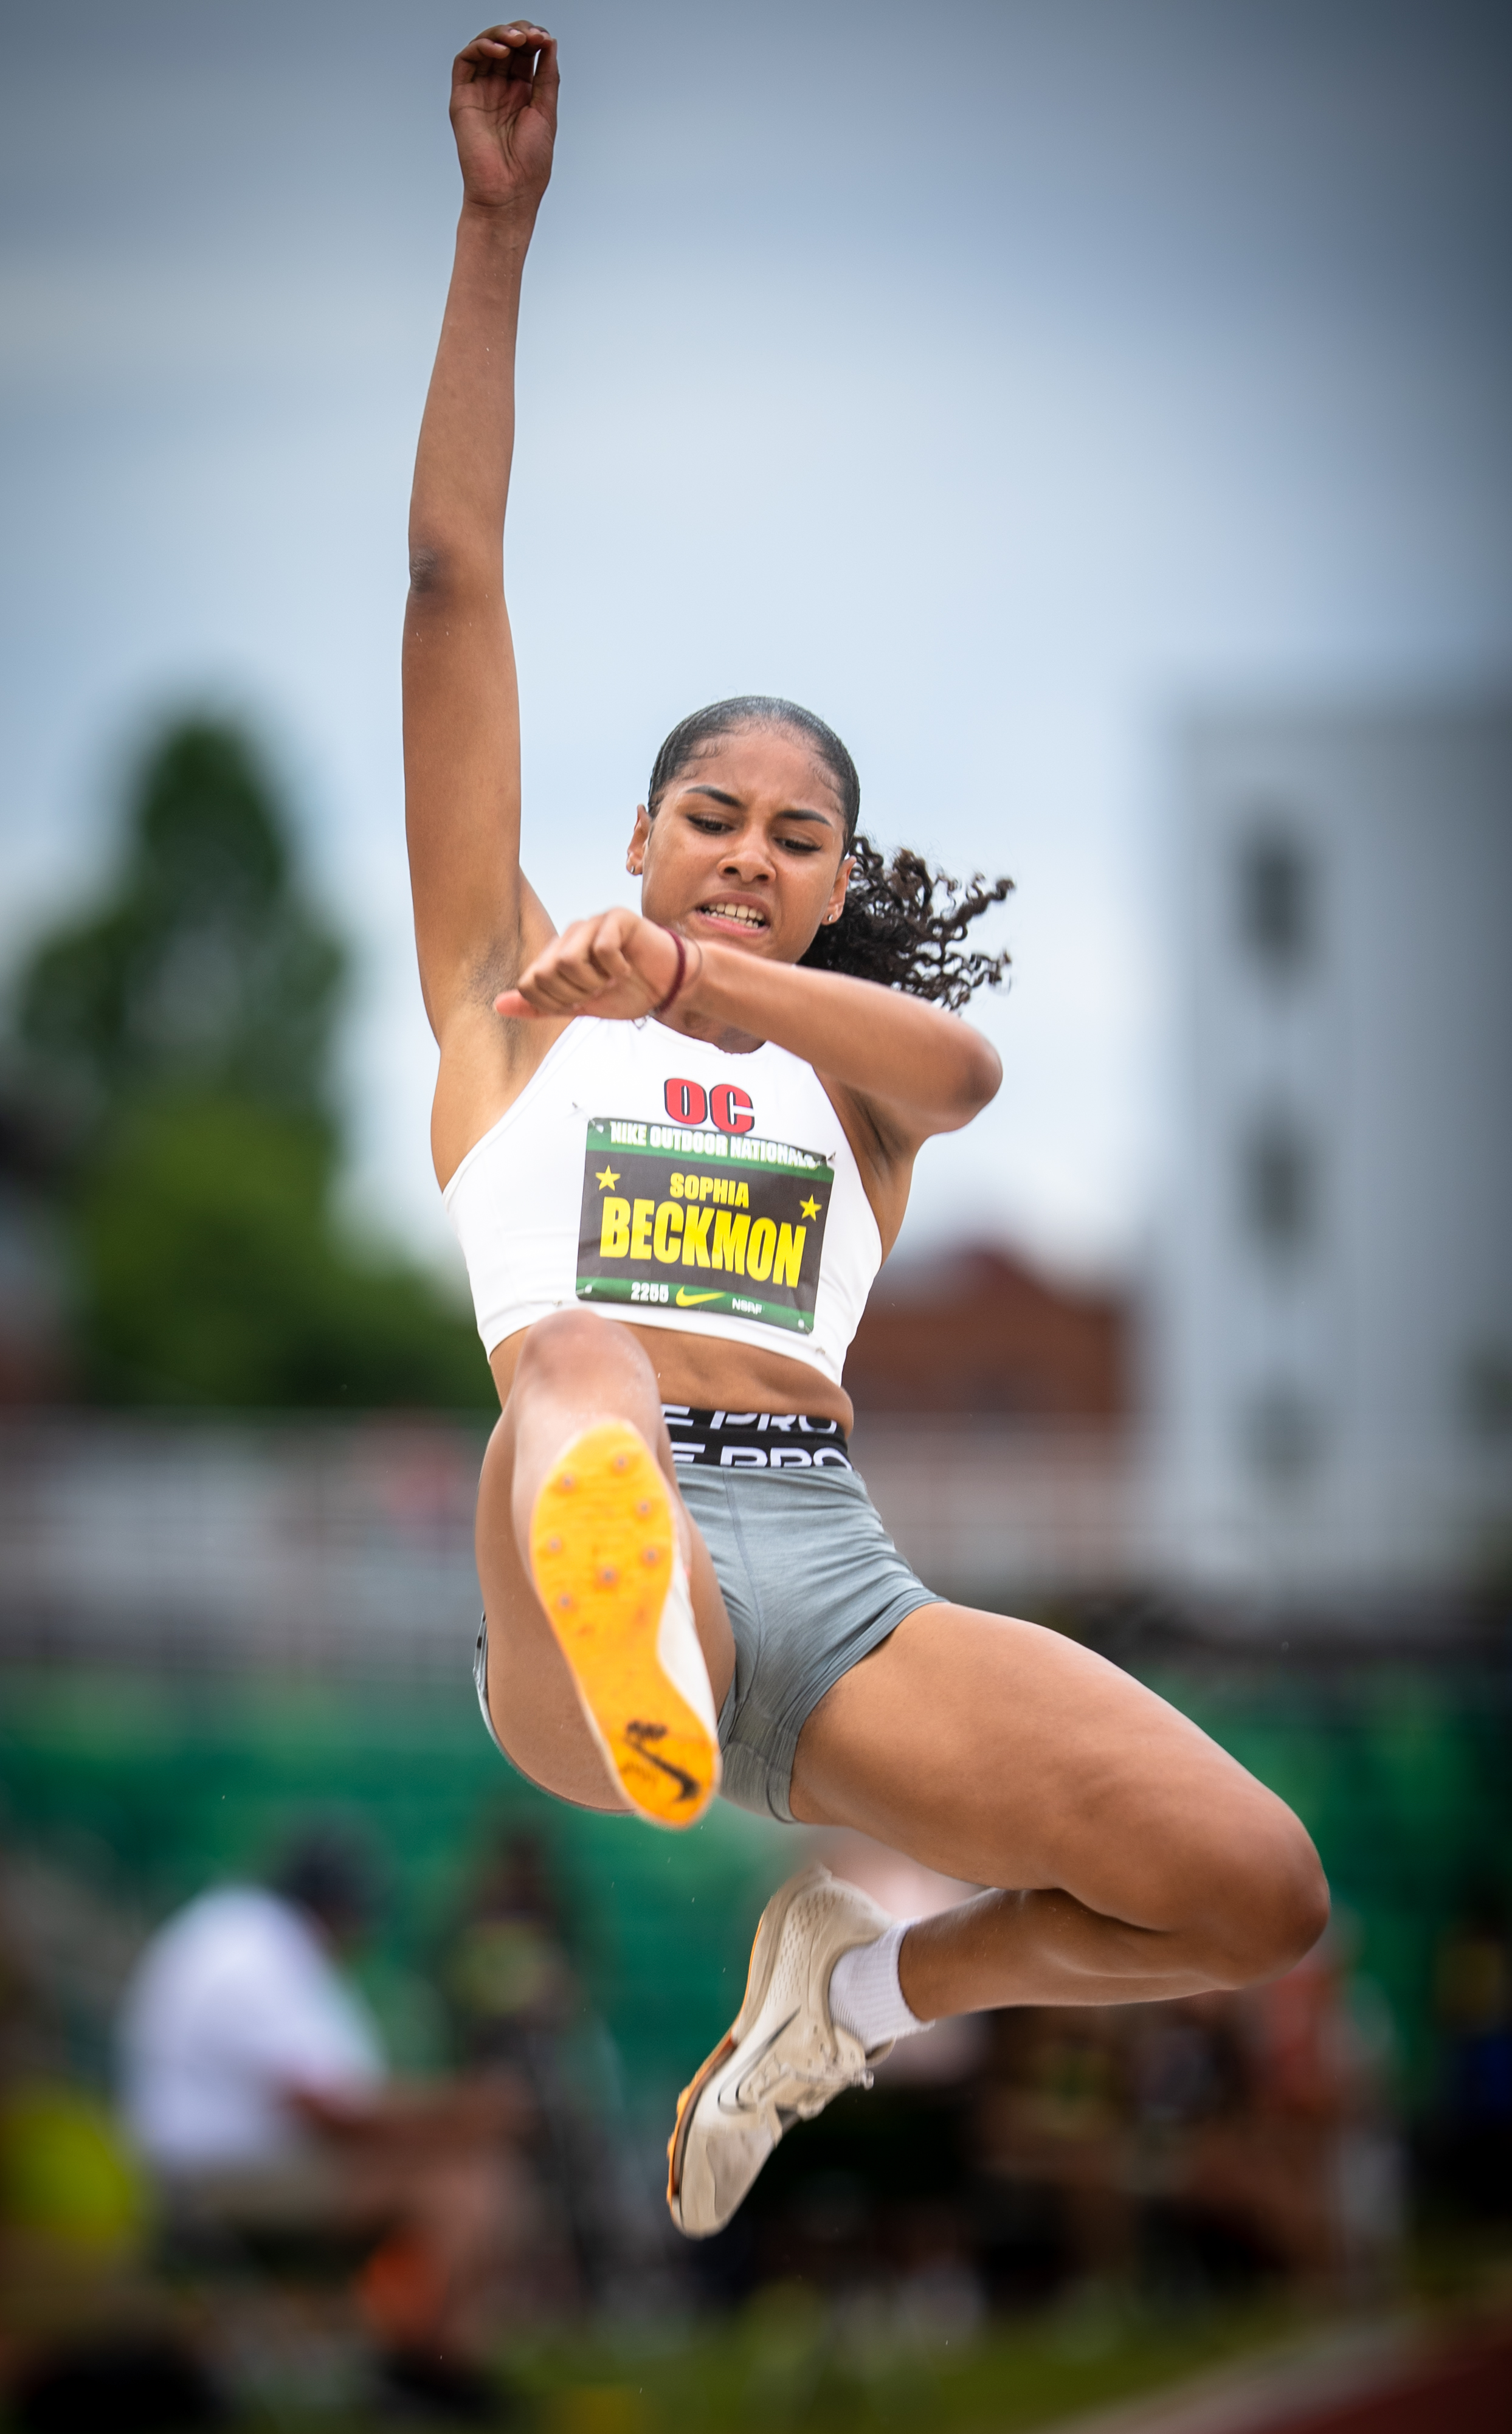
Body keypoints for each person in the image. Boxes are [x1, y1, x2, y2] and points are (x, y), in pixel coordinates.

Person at [405, 25, 1330, 2242]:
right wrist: (498, 228)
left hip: (830, 1574)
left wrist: (695, 980)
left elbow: (972, 1074)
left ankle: (859, 1981)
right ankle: (642, 1638)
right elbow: (451, 578)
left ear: (839, 881)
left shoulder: (864, 1083)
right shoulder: (501, 988)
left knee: (1254, 1885)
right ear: (632, 826)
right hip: (571, 1560)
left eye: (791, 835)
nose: (740, 850)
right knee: (582, 1365)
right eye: (704, 816)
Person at [117, 1832, 526, 2410]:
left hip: (223, 2170)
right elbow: (331, 2113)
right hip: (219, 2183)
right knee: (463, 2185)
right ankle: (424, 2369)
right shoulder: (257, 1951)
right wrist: (458, 2116)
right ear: (340, 1908)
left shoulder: (243, 1936)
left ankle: (425, 2361)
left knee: (465, 2171)